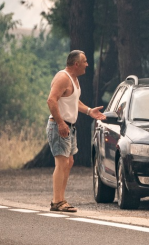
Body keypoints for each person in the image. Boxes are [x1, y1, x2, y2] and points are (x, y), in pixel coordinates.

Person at [45, 51, 105, 211]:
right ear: (76, 64)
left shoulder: (74, 80)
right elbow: (51, 100)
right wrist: (60, 123)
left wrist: (89, 111)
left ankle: (60, 199)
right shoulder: (63, 77)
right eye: (85, 62)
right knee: (62, 162)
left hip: (69, 127)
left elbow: (73, 101)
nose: (87, 64)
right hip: (59, 126)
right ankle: (57, 201)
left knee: (69, 162)